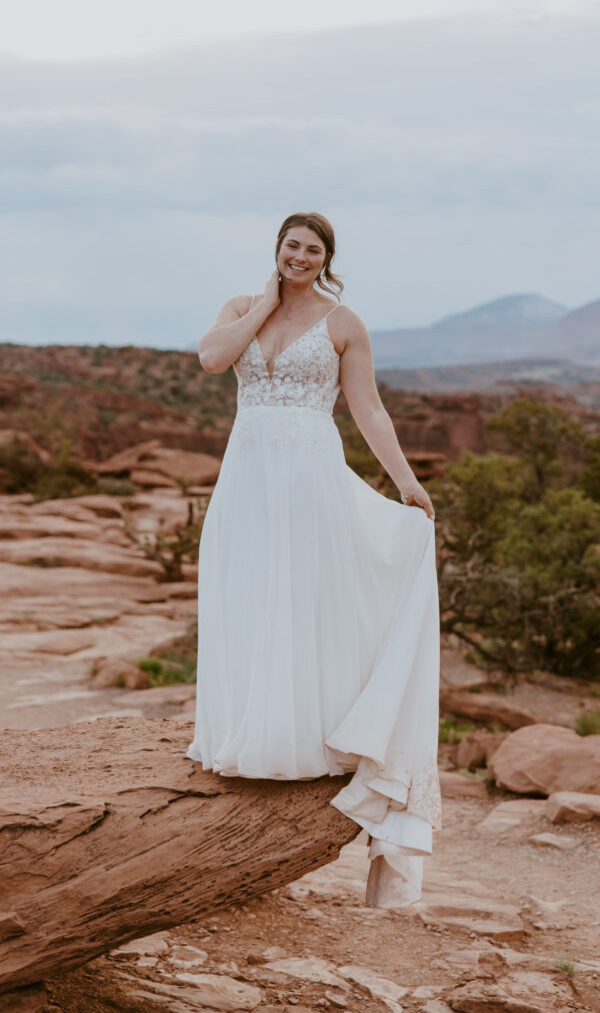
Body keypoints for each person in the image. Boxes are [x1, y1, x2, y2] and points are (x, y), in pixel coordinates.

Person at [187, 212, 441, 907]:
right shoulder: (242, 307)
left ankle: (308, 742)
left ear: (327, 259)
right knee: (246, 592)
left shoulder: (343, 322)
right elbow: (211, 359)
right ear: (276, 250)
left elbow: (368, 410)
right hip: (247, 477)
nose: (300, 256)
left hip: (308, 476)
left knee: (301, 595)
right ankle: (245, 734)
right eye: (291, 246)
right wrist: (266, 300)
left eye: (313, 250)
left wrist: (406, 482)